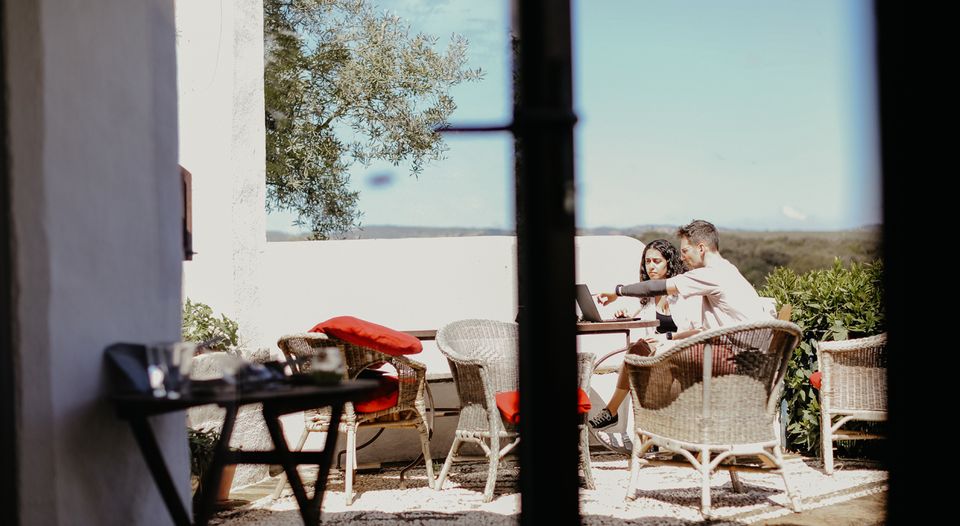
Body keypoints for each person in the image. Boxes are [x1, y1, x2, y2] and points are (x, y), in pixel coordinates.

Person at [588, 239, 700, 431]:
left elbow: (698, 329)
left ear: (669, 263)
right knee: (636, 351)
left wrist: (665, 339)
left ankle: (612, 412)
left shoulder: (684, 294)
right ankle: (617, 414)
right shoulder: (646, 296)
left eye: (657, 261)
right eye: (647, 262)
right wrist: (622, 313)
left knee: (636, 351)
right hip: (654, 356)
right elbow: (633, 314)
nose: (651, 266)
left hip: (681, 352)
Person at [598, 219, 774, 329]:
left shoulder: (710, 274)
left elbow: (654, 287)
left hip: (737, 355)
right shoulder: (728, 269)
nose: (681, 258)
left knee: (652, 361)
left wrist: (618, 291)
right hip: (754, 352)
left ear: (702, 249)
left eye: (685, 251)